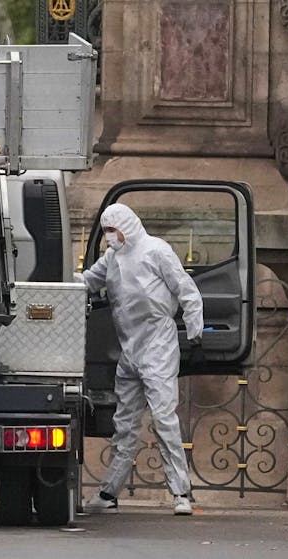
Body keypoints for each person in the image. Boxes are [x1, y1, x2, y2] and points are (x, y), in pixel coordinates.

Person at [80, 204, 203, 516]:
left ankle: (181, 492)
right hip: (130, 350)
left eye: (112, 230)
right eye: (105, 231)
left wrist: (195, 330)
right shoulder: (112, 259)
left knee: (164, 419)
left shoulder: (156, 251)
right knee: (124, 424)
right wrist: (59, 285)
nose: (109, 237)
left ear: (127, 226)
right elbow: (88, 281)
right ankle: (109, 492)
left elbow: (186, 289)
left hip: (158, 347)